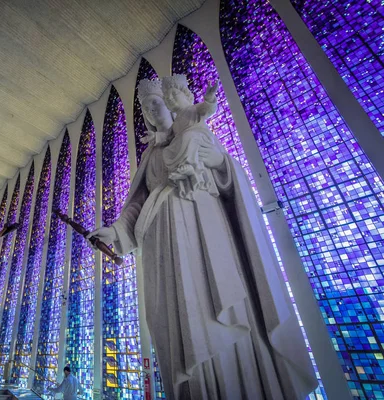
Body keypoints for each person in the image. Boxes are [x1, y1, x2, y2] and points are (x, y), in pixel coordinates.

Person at [88, 77, 317, 399]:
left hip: (205, 230)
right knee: (178, 313)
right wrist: (115, 230)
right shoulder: (152, 157)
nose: (151, 112)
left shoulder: (197, 136)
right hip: (162, 243)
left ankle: (243, 382)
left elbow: (228, 181)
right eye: (144, 108)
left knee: (217, 301)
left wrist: (220, 162)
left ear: (171, 104)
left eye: (156, 104)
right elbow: (137, 202)